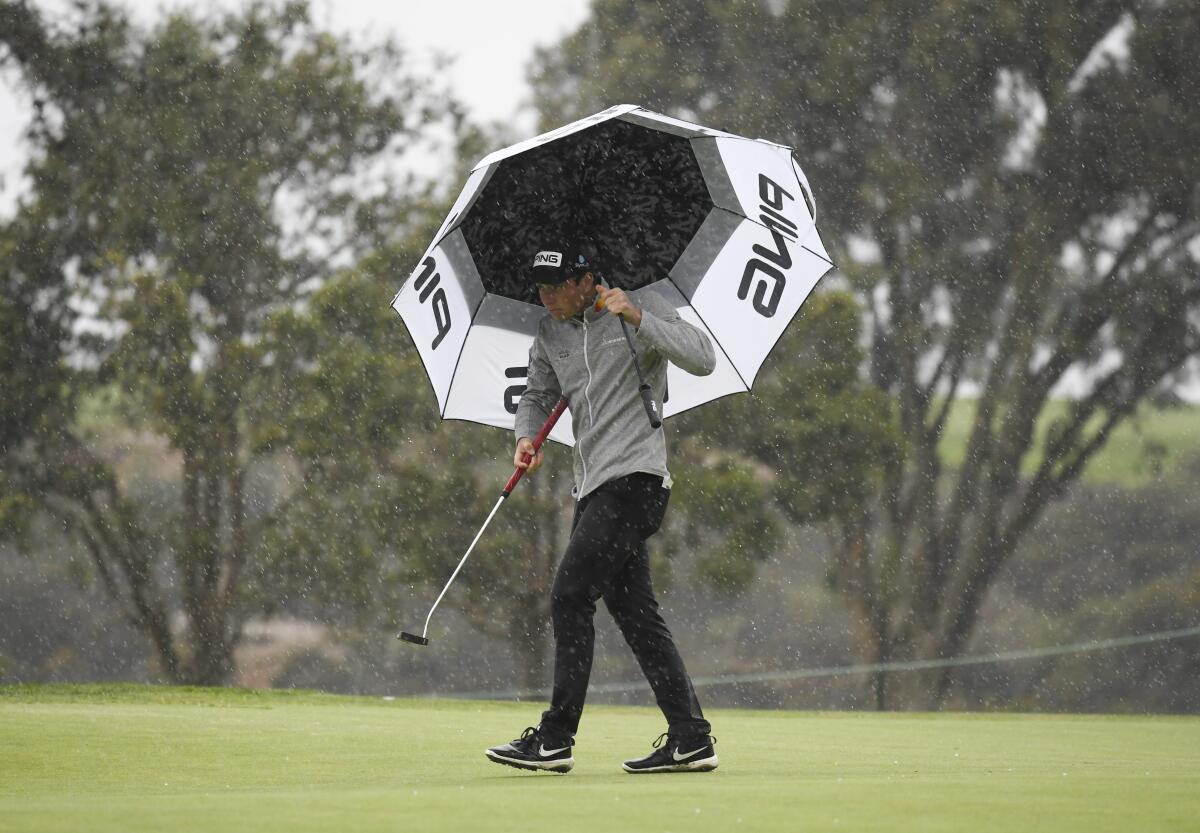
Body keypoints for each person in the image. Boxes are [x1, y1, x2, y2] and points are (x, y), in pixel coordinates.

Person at [484, 243, 719, 775]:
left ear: (586, 279)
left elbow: (702, 358)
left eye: (555, 286)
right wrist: (526, 436)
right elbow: (536, 396)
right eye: (538, 288)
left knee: (570, 596)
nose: (544, 297)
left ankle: (554, 739)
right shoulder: (552, 334)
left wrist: (636, 316)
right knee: (637, 617)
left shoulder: (641, 307)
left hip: (636, 481)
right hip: (591, 490)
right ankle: (690, 738)